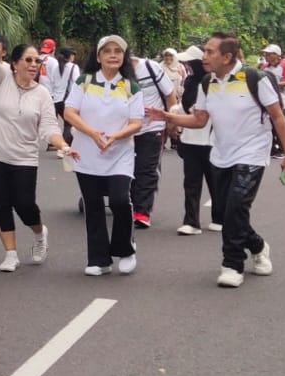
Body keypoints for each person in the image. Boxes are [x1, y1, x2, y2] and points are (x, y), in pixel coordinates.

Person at [157, 31, 285, 288]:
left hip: (252, 154)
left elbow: (277, 116)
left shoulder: (254, 78)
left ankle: (232, 264)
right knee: (226, 211)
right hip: (220, 154)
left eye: (210, 52)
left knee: (236, 207)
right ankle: (257, 246)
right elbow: (199, 119)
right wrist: (168, 117)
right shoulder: (207, 82)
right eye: (205, 50)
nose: (204, 56)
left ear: (227, 57)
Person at [0, 8, 74, 271]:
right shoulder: (0, 79)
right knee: (1, 203)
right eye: (28, 60)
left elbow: (49, 127)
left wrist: (63, 145)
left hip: (24, 158)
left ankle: (39, 234)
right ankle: (10, 253)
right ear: (14, 63)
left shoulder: (42, 94)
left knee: (25, 205)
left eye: (37, 61)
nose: (33, 64)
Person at [63, 36, 145, 277]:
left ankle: (126, 249)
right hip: (87, 154)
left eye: (118, 51)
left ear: (124, 57)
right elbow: (69, 112)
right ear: (98, 57)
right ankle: (99, 260)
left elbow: (136, 122)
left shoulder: (131, 87)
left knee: (119, 200)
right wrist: (92, 133)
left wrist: (115, 136)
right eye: (107, 51)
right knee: (93, 205)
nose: (113, 55)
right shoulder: (84, 81)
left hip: (120, 154)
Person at [168, 48, 222, 235]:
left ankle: (219, 218)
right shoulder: (190, 82)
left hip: (212, 140)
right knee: (191, 183)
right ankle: (191, 221)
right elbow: (187, 107)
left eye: (191, 63)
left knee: (215, 182)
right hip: (191, 139)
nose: (188, 66)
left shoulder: (215, 81)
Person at [127, 50, 178, 229]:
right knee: (128, 169)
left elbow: (169, 94)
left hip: (152, 127)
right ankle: (130, 204)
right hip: (124, 131)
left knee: (146, 168)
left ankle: (142, 211)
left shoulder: (150, 67)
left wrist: (171, 120)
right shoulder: (112, 72)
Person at [260, 45, 285, 157]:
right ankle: (271, 149)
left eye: (269, 54)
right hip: (267, 101)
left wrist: (274, 84)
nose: (266, 56)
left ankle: (282, 149)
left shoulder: (284, 65)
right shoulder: (264, 67)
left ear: (276, 55)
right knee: (268, 126)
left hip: (282, 101)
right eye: (265, 54)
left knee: (279, 127)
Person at [51, 46, 80, 144]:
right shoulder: (73, 67)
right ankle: (65, 146)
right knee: (69, 124)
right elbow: (77, 83)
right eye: (73, 54)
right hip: (67, 100)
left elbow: (53, 82)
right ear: (70, 56)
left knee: (67, 123)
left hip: (56, 100)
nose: (74, 57)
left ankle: (65, 144)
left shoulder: (55, 67)